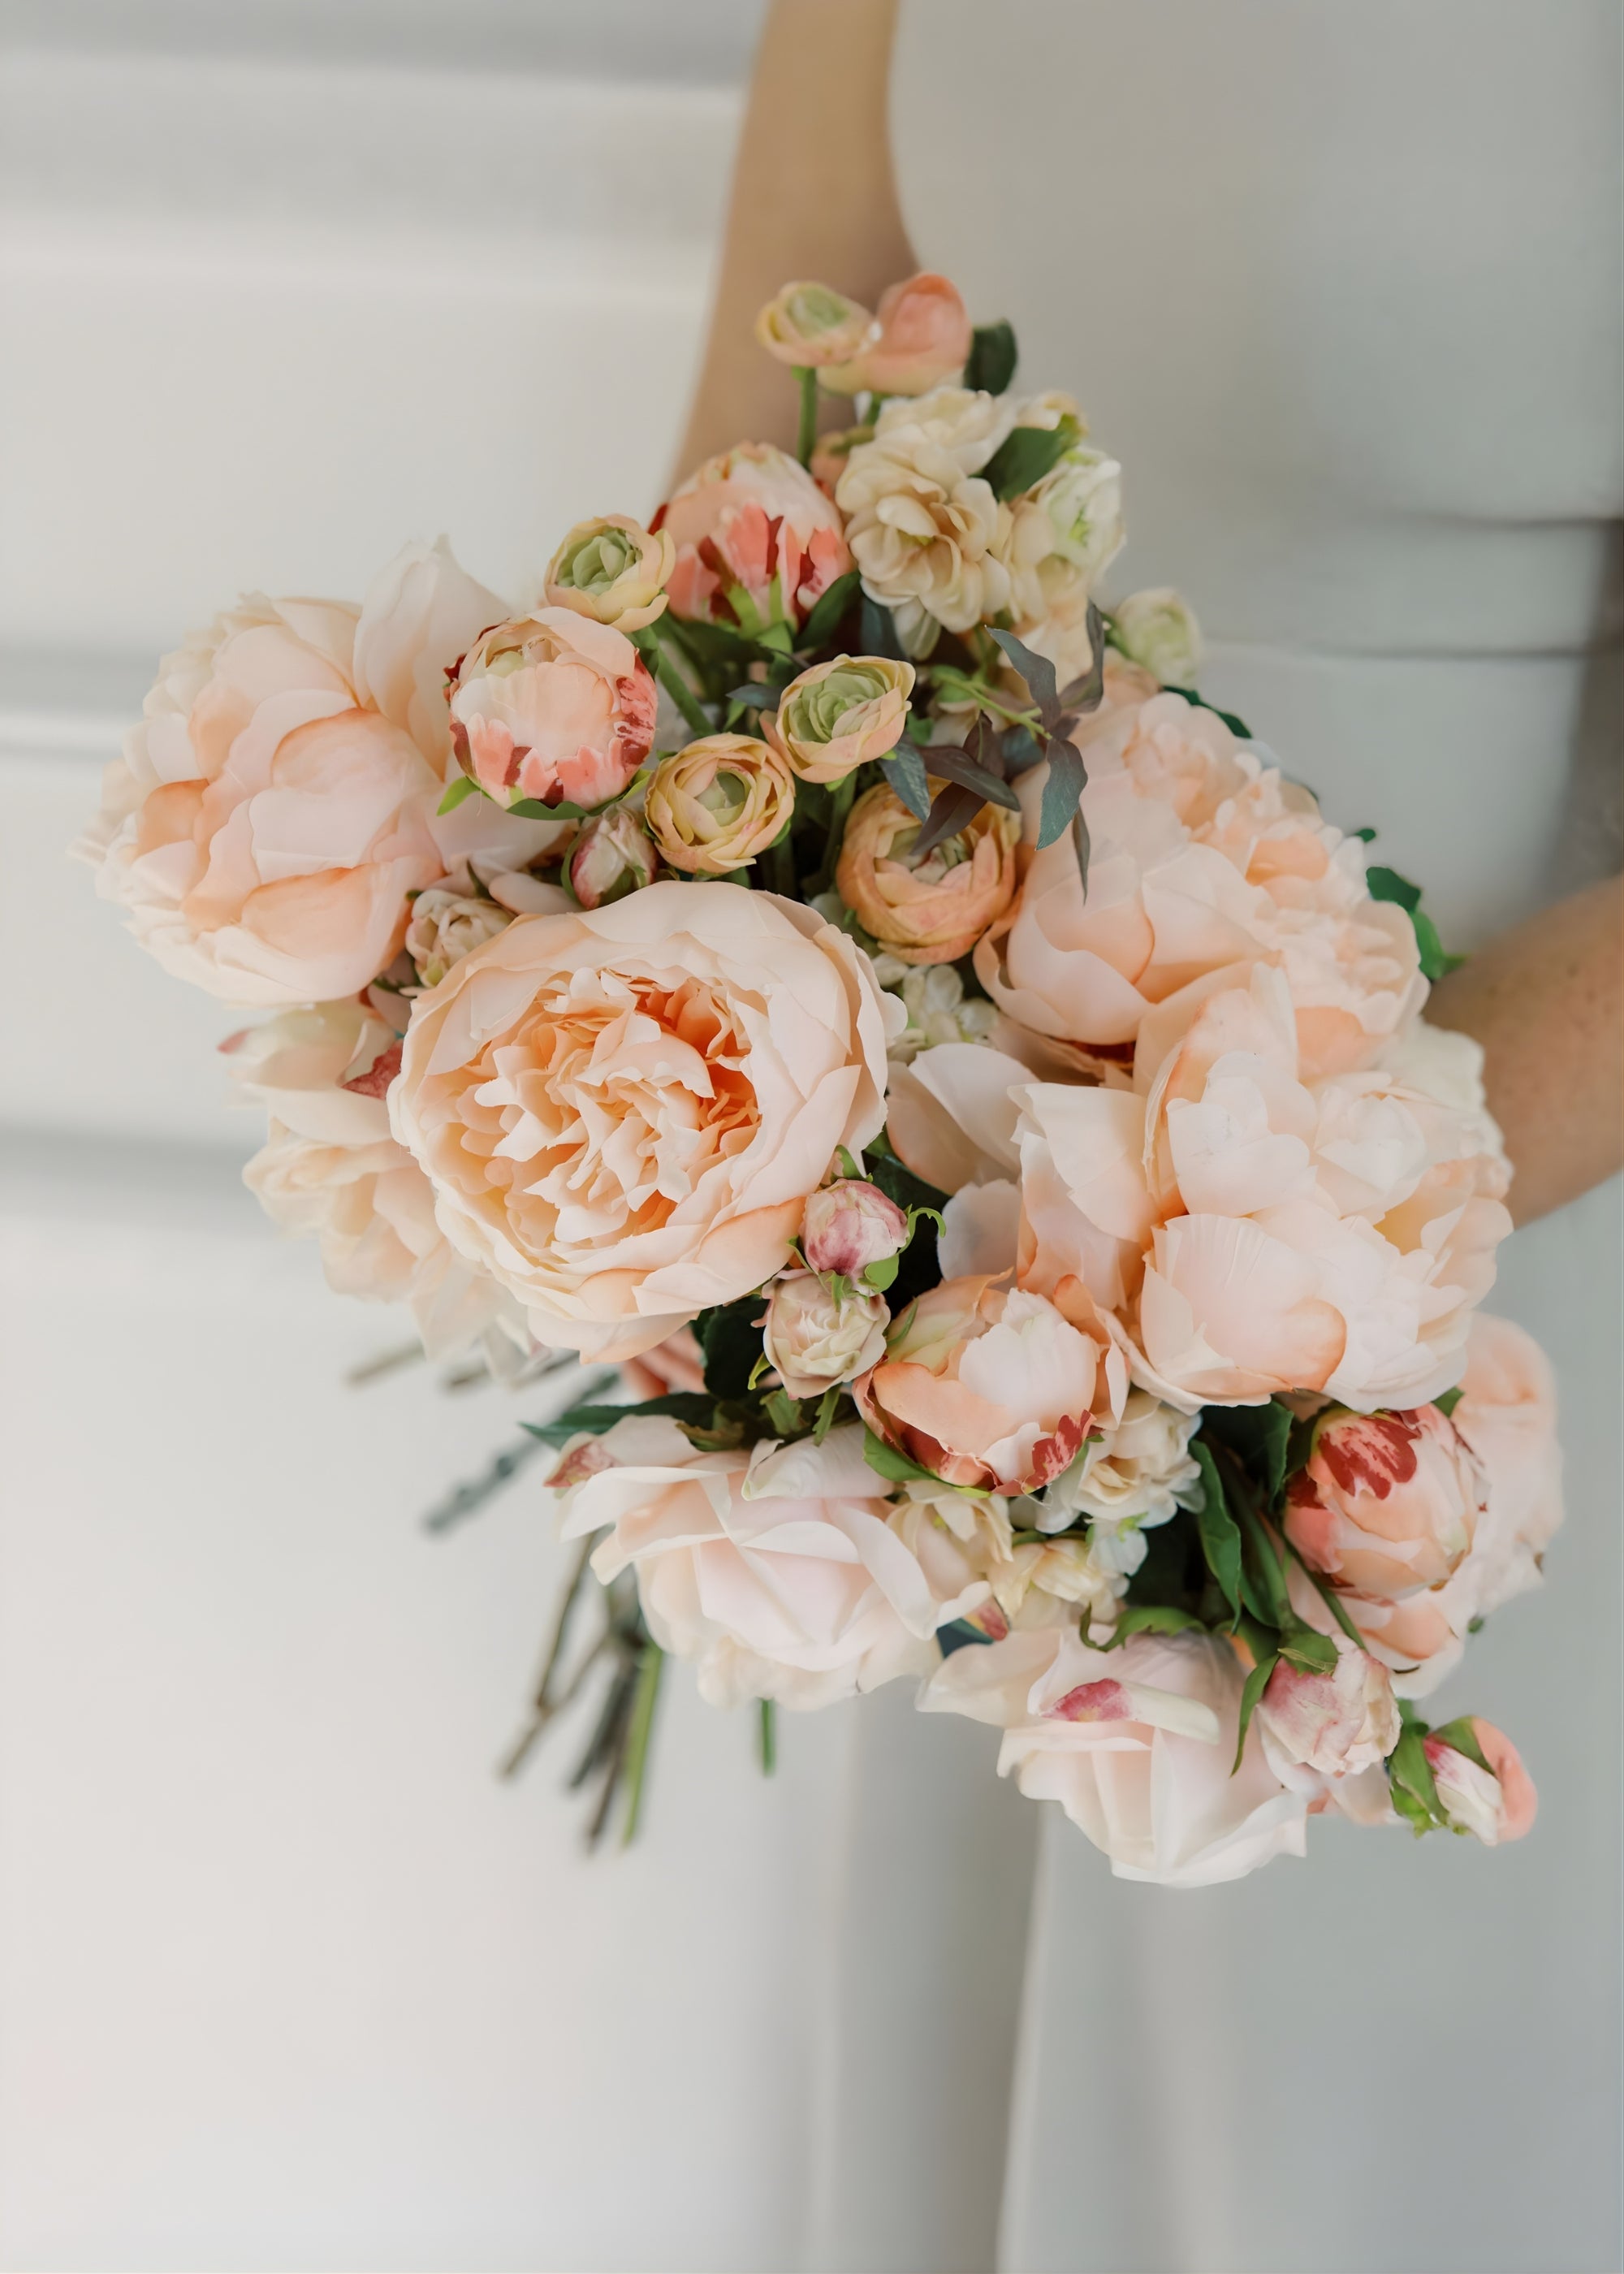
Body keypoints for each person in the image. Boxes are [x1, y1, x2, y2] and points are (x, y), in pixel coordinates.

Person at [671, 5, 1624, 2271]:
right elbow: (739, 511)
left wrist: (1200, 1259)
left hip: (1461, 1283)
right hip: (984, 1309)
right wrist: (684, 1072)